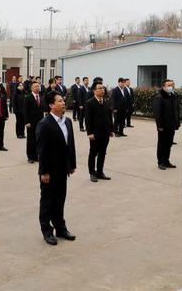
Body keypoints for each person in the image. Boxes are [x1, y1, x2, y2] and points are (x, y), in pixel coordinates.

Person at [36, 91, 77, 246]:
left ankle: (60, 228)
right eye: (59, 101)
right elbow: (42, 150)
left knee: (60, 199)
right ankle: (47, 230)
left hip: (62, 169)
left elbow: (70, 145)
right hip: (50, 171)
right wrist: (44, 172)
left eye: (63, 100)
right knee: (47, 201)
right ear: (51, 105)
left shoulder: (67, 122)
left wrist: (71, 164)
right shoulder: (45, 124)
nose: (63, 102)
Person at [85, 82, 114, 182]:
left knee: (102, 153)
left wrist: (111, 130)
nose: (102, 90)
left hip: (105, 133)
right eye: (100, 88)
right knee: (93, 153)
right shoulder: (90, 103)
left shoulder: (106, 102)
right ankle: (92, 173)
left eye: (103, 88)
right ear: (94, 90)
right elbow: (88, 119)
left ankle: (100, 172)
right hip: (95, 133)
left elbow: (109, 117)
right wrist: (89, 133)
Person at [153, 79, 180, 170]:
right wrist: (159, 126)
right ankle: (160, 162)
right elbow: (157, 113)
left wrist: (177, 122)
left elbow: (176, 110)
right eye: (168, 85)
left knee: (169, 144)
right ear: (164, 87)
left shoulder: (173, 96)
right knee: (162, 144)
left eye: (172, 85)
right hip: (163, 126)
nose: (171, 87)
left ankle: (166, 160)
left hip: (171, 125)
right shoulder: (159, 97)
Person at [24, 81, 45, 163]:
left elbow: (42, 108)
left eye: (38, 86)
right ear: (31, 88)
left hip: (40, 122)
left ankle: (36, 156)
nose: (37, 88)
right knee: (31, 140)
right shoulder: (28, 97)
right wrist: (26, 122)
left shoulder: (41, 97)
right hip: (31, 122)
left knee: (38, 139)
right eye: (35, 86)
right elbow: (25, 111)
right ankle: (30, 157)